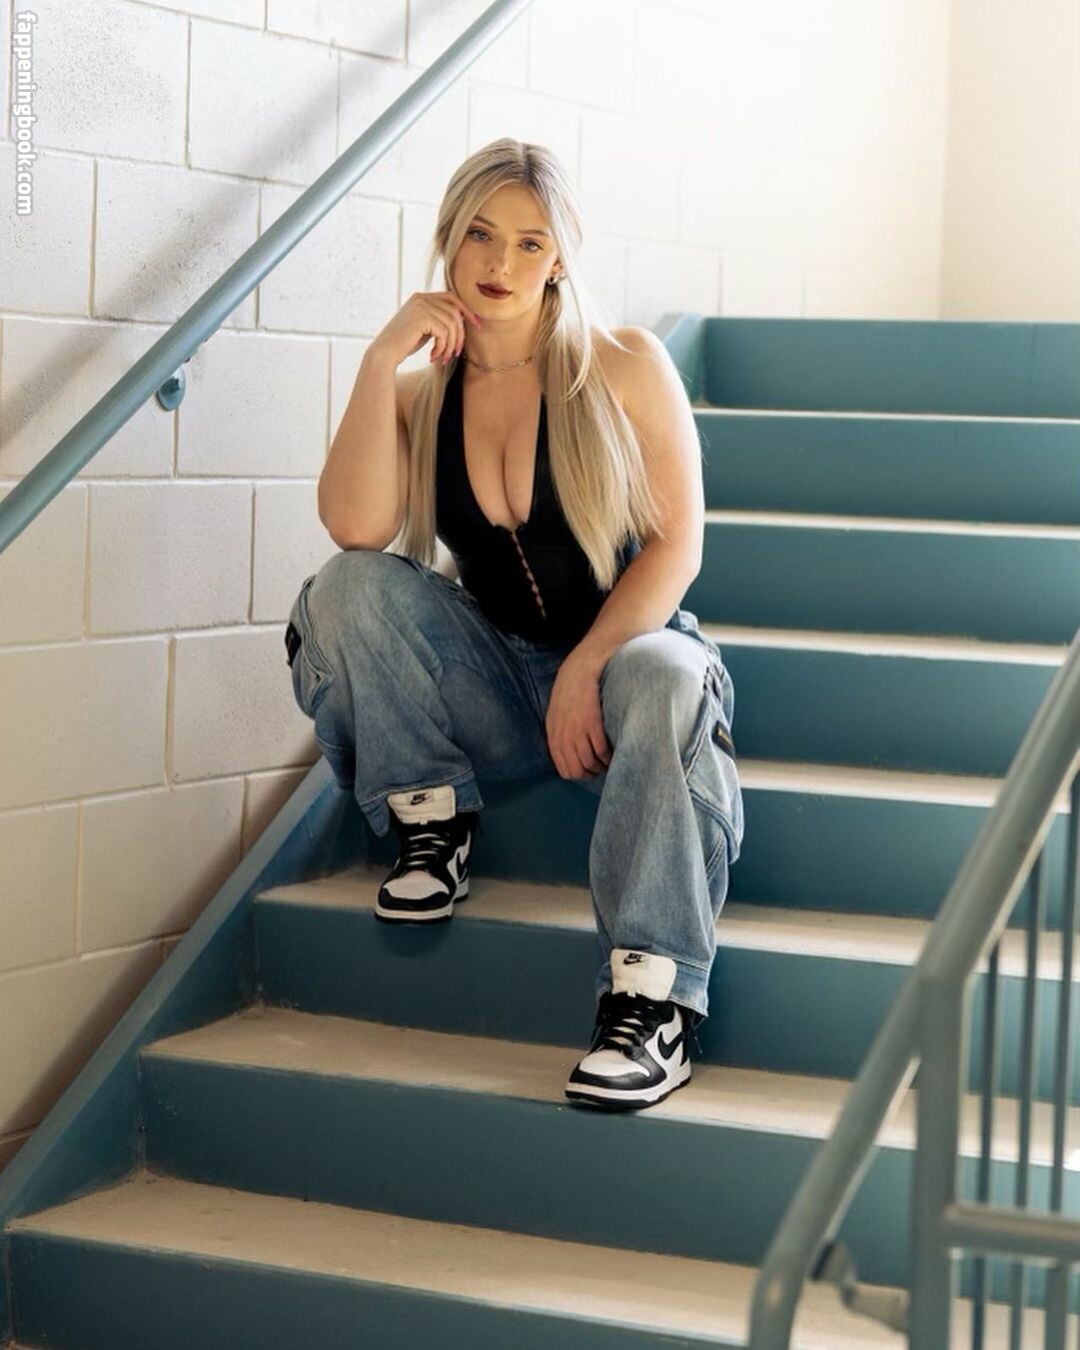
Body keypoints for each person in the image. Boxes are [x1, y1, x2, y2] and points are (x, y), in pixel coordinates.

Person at [285, 138, 744, 1112]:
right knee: (345, 589)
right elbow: (355, 528)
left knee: (666, 673)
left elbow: (679, 547)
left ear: (559, 259)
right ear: (449, 239)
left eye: (530, 243)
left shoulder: (623, 364)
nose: (500, 263)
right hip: (496, 681)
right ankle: (432, 820)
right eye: (481, 236)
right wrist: (379, 358)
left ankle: (652, 1001)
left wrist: (589, 663)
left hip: (624, 671)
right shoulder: (424, 394)